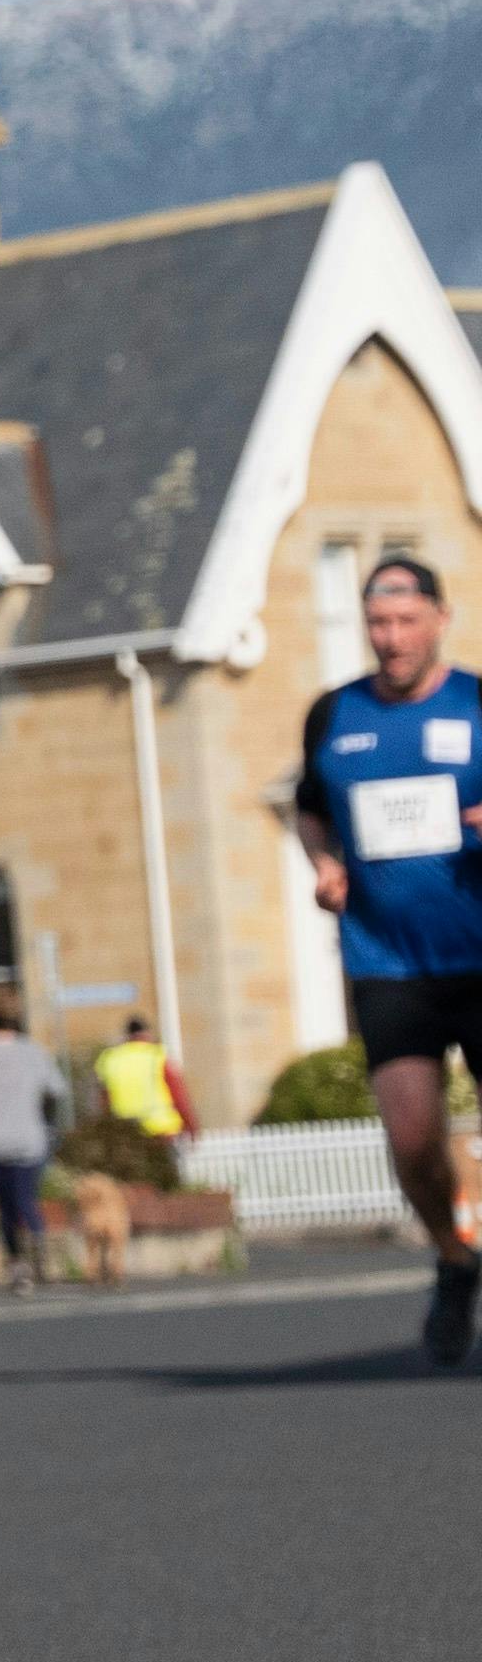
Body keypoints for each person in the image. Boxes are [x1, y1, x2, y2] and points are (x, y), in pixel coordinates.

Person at [297, 551, 482, 1364]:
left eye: (407, 621)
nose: (392, 637)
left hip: (479, 953)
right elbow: (309, 810)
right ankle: (452, 1255)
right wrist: (324, 864)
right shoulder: (332, 715)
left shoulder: (478, 704)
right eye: (378, 622)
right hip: (386, 960)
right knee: (411, 1138)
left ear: (440, 620)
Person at [0, 1001, 69, 1290]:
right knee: (26, 1197)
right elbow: (56, 1090)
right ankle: (39, 1252)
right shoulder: (33, 1052)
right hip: (29, 1139)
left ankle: (18, 1264)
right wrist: (46, 1118)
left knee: (5, 1204)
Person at [91, 1015, 194, 1188]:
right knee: (167, 1187)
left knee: (133, 1187)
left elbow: (103, 1102)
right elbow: (179, 1097)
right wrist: (190, 1126)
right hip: (161, 1134)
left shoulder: (110, 1060)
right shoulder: (157, 1057)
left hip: (127, 1136)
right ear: (147, 1034)